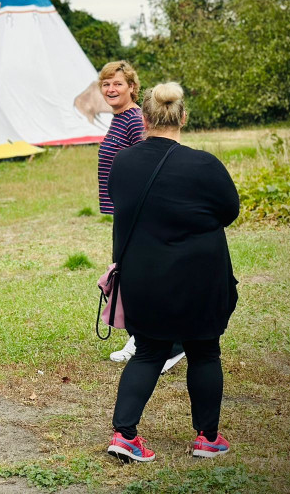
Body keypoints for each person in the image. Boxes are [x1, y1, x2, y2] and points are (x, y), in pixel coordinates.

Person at [106, 83, 239, 463]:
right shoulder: (205, 165)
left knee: (148, 351)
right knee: (204, 351)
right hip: (200, 275)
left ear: (144, 118)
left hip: (143, 276)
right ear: (183, 117)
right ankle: (207, 438)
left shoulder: (124, 163)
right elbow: (230, 211)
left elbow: (121, 204)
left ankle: (125, 434)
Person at [96, 61, 185, 369]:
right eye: (106, 84)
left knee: (141, 278)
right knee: (129, 276)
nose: (111, 89)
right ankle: (139, 336)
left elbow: (149, 161)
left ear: (132, 87)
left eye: (117, 84)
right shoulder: (119, 119)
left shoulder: (135, 120)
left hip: (138, 211)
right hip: (123, 209)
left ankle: (173, 343)